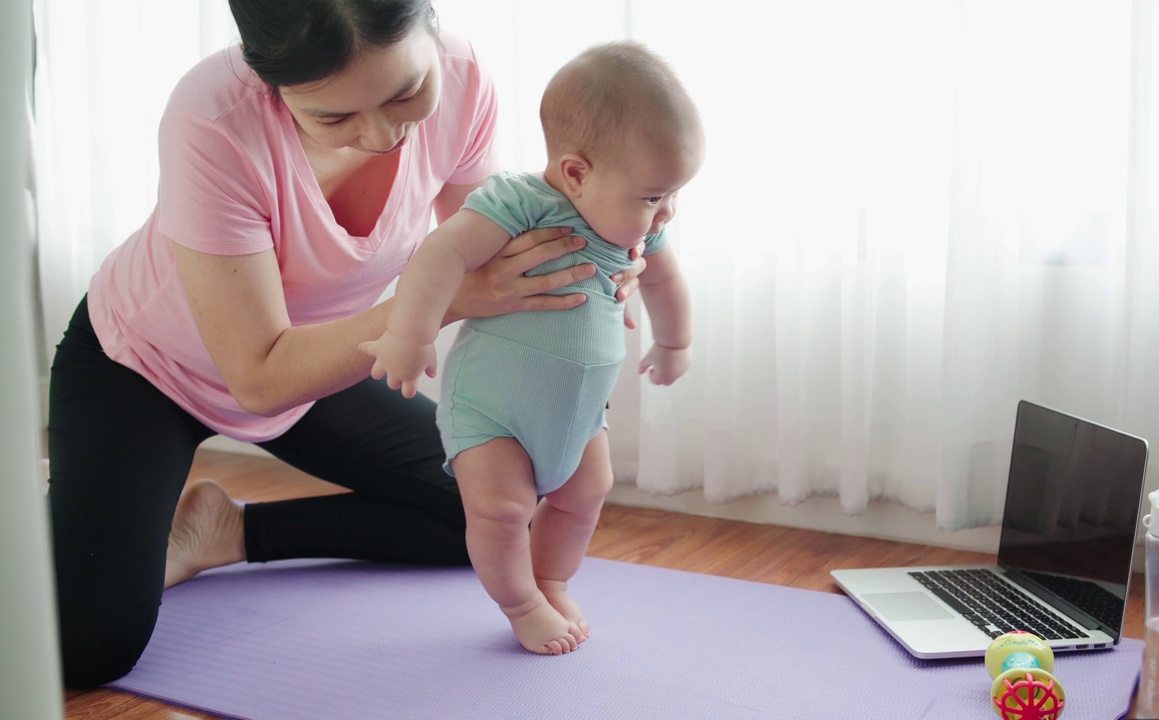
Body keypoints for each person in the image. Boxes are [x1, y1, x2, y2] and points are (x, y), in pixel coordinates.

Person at [45, 0, 650, 687]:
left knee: (495, 511)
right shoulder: (212, 119)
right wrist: (446, 300)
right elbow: (259, 376)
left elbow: (489, 251)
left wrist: (603, 244)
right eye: (333, 117)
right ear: (272, 86)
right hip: (146, 367)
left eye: (406, 94)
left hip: (318, 357)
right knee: (88, 645)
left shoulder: (463, 76)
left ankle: (229, 531)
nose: (382, 135)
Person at [359, 41, 703, 655]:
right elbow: (442, 255)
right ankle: (519, 604)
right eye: (653, 196)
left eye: (673, 194)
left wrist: (675, 341)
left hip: (577, 412)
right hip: (494, 409)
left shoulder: (637, 227)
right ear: (576, 173)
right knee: (500, 510)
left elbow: (665, 278)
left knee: (585, 492)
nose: (665, 213)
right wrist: (409, 334)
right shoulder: (517, 203)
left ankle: (550, 580)